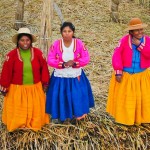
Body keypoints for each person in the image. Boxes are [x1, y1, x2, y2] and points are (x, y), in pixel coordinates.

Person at [0, 27, 50, 131]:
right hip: (17, 89)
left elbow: (44, 69)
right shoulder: (11, 56)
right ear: (18, 42)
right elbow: (6, 72)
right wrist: (4, 86)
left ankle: (34, 125)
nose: (25, 43)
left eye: (27, 40)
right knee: (19, 110)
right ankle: (19, 126)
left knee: (34, 109)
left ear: (31, 41)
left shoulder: (38, 54)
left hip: (34, 88)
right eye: (22, 40)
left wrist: (45, 83)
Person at [46, 22, 94, 124]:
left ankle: (75, 115)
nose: (67, 33)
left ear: (73, 32)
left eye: (69, 31)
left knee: (75, 95)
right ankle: (60, 116)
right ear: (61, 33)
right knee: (60, 95)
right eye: (64, 31)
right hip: (60, 76)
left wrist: (75, 63)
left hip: (75, 75)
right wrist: (62, 64)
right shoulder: (56, 44)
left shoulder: (79, 43)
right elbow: (50, 59)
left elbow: (86, 58)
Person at [106, 18, 150, 125]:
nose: (140, 32)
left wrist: (140, 45)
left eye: (141, 29)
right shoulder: (124, 41)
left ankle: (142, 118)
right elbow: (117, 55)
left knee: (141, 99)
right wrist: (118, 71)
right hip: (126, 75)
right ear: (131, 32)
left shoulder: (147, 40)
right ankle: (125, 119)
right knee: (126, 99)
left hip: (141, 75)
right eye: (136, 30)